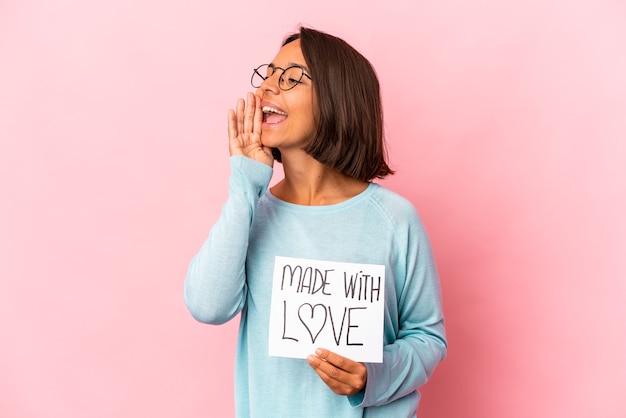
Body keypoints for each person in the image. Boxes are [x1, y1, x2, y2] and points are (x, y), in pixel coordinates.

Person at [184, 26, 447, 418]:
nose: (267, 88)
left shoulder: (394, 219)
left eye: (290, 77)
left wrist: (370, 376)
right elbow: (207, 306)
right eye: (268, 75)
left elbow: (428, 337)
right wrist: (244, 186)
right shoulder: (251, 215)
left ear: (336, 98)